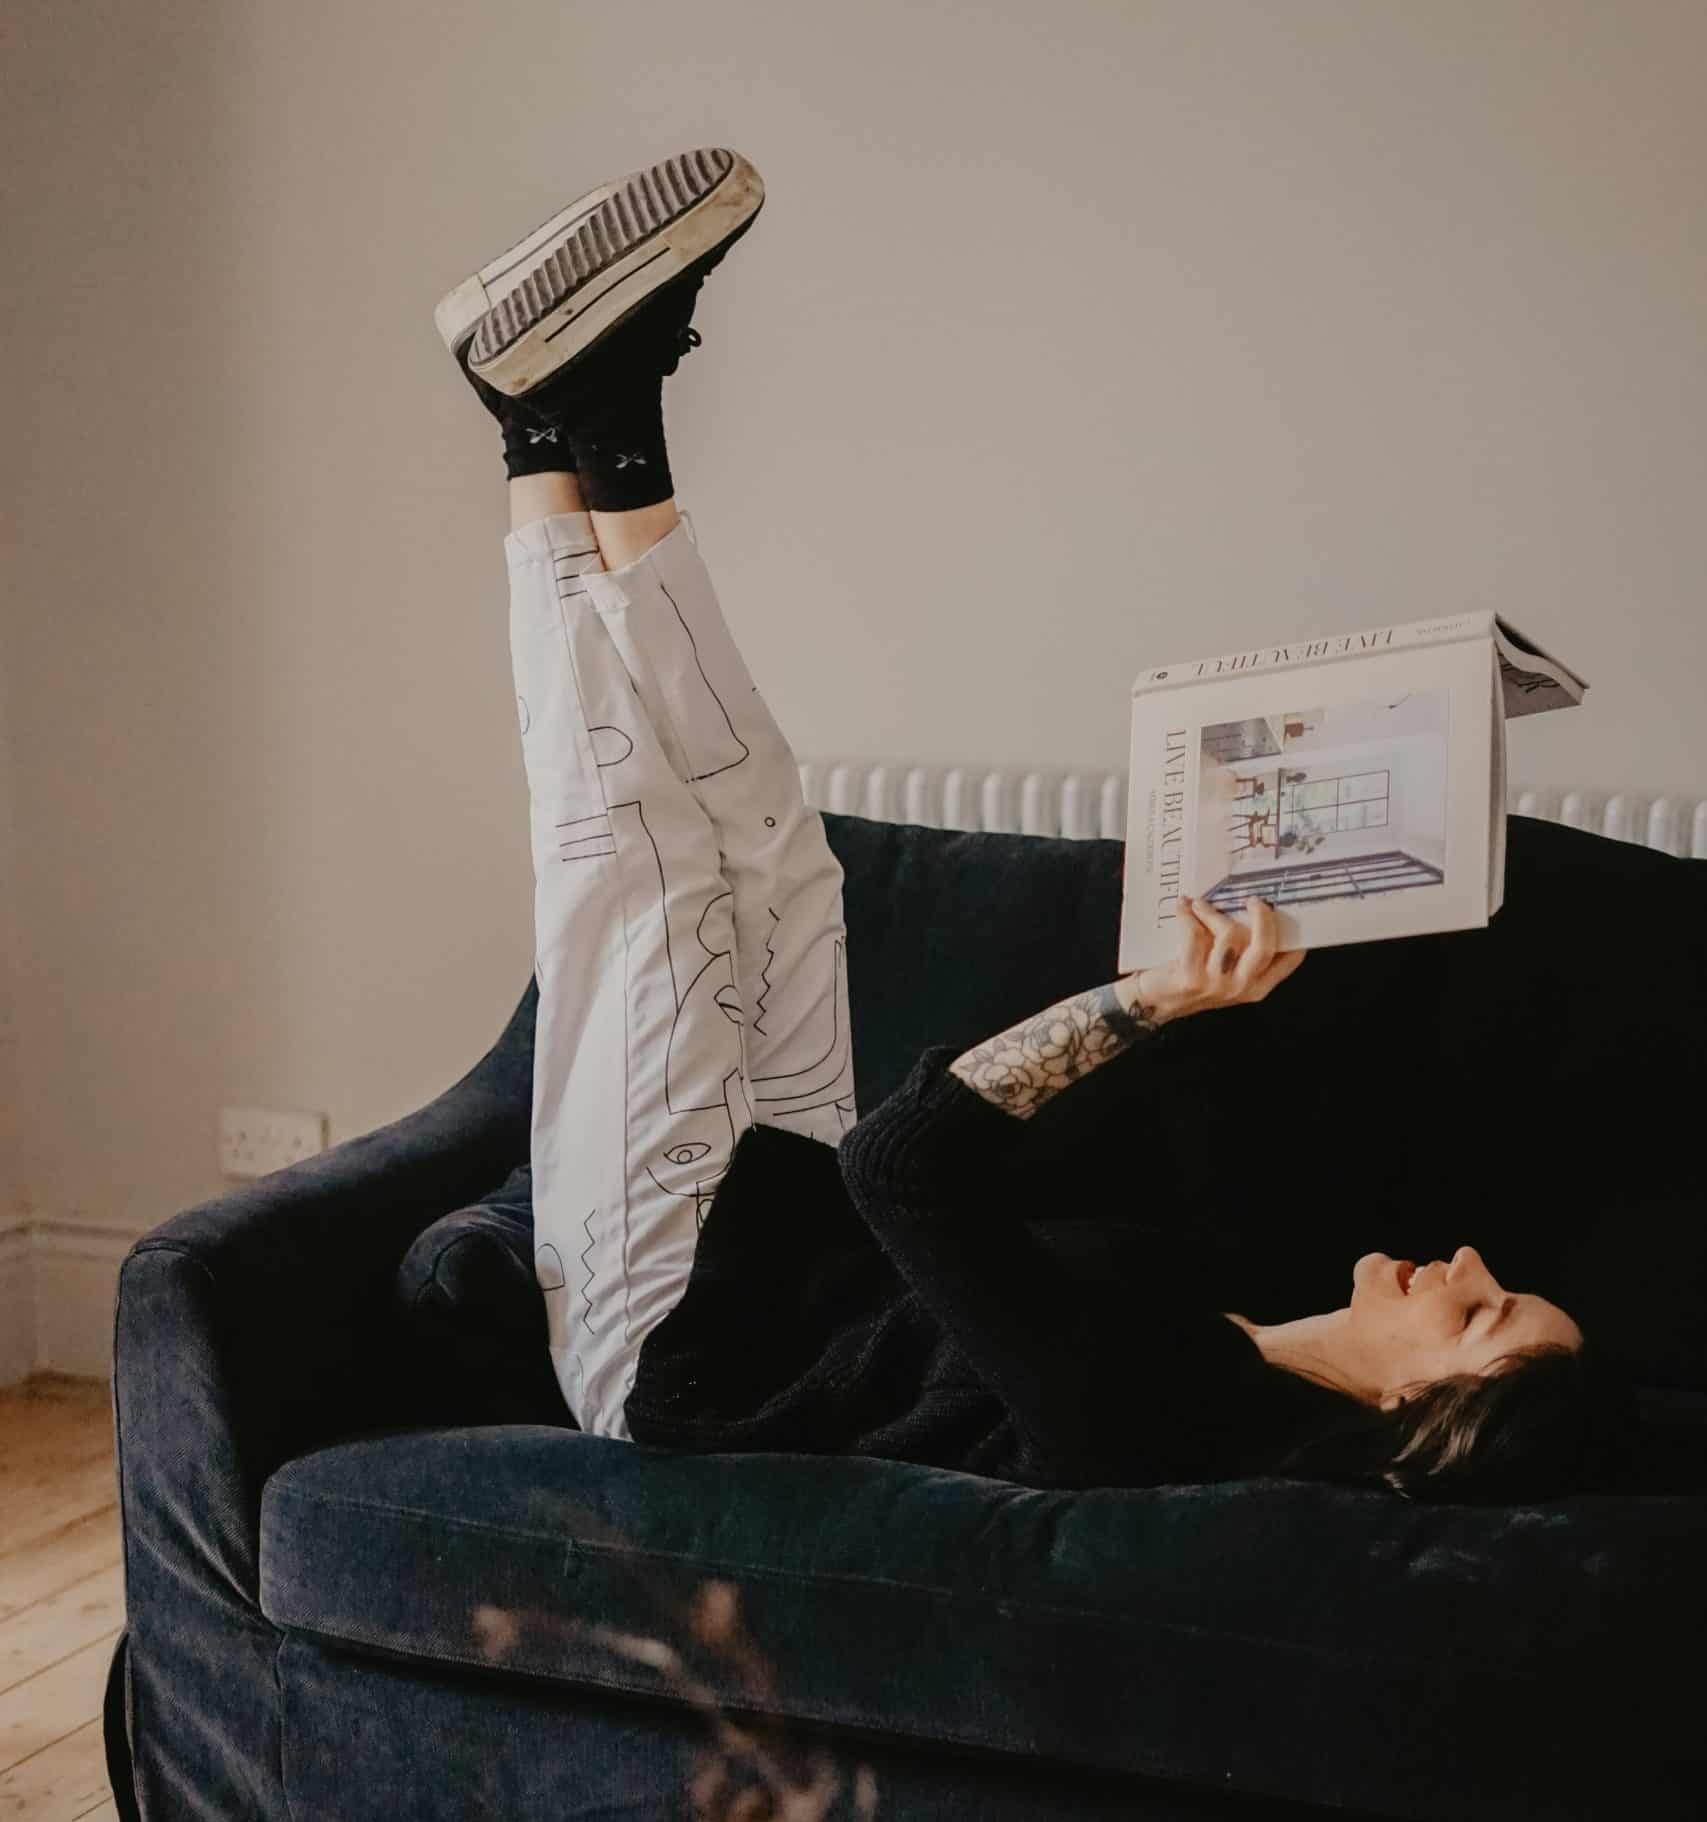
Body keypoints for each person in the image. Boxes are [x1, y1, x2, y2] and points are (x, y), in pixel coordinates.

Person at [438, 147, 1634, 1507]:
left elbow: (907, 1169)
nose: (1475, 1268)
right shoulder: (1236, 1332)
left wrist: (1149, 1003)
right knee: (771, 841)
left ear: (1417, 1408)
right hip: (780, 1223)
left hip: (672, 1342)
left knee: (640, 878)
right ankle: (597, 407)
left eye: (1481, 1316)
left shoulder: (1161, 1422)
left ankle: (530, 438)